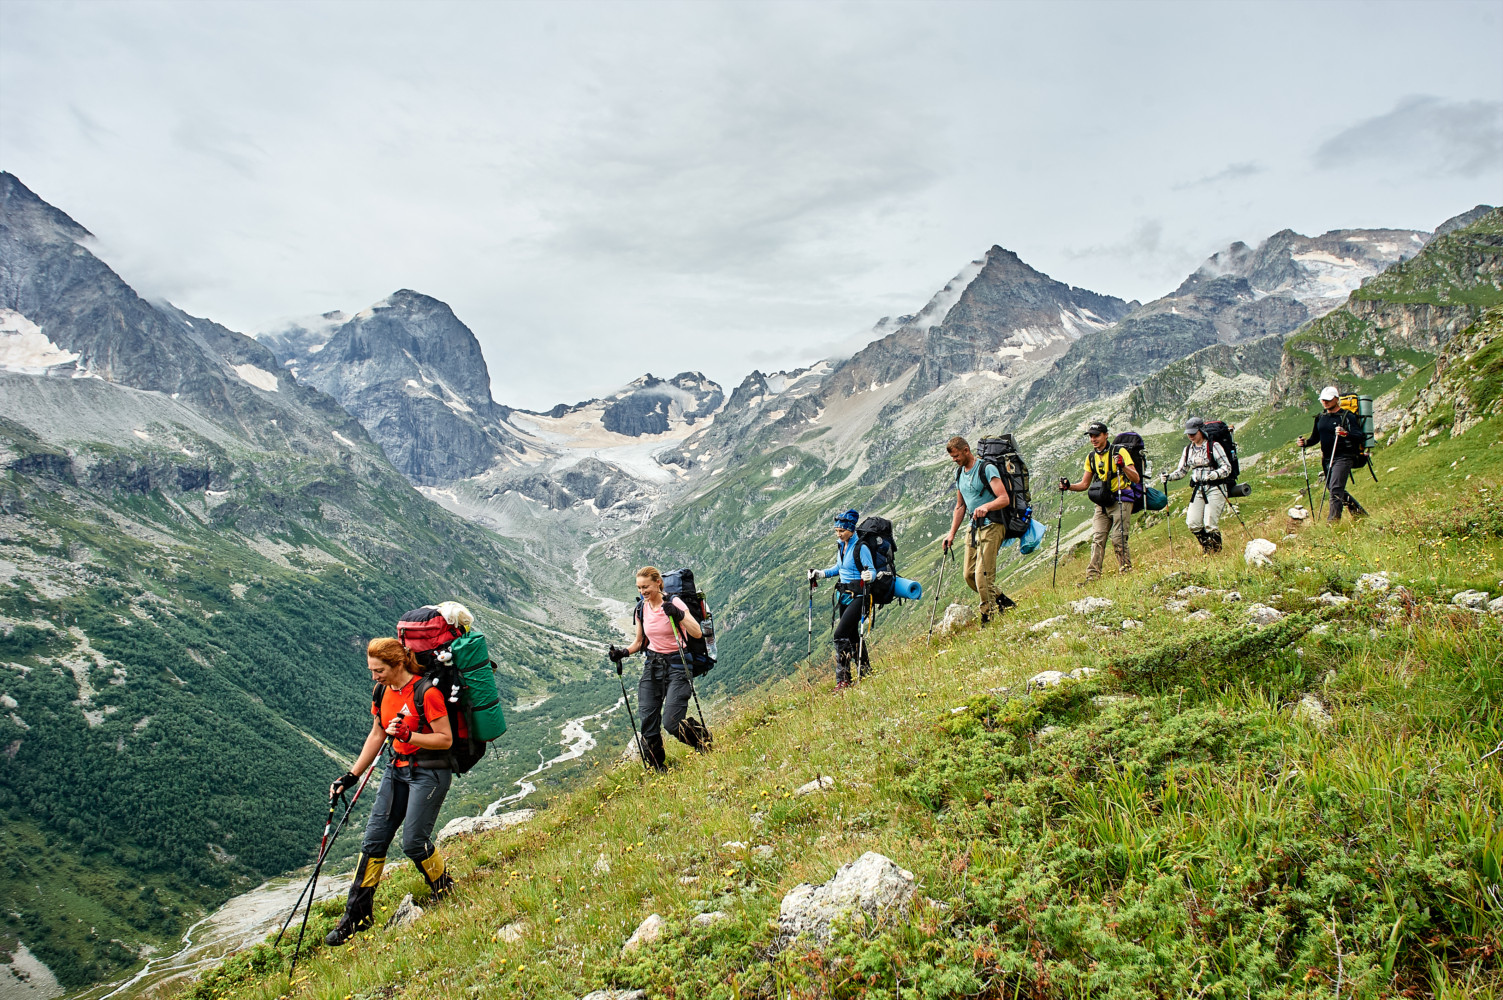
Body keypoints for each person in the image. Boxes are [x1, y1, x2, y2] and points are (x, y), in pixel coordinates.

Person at [324, 637, 454, 946]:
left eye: (378, 670)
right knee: (373, 841)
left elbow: (445, 739)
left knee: (413, 843)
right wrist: (351, 776)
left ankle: (444, 887)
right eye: (371, 670)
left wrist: (411, 734)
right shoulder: (382, 691)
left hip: (430, 771)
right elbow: (377, 733)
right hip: (396, 770)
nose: (373, 676)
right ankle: (355, 917)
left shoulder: (427, 692)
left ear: (397, 664)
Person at [607, 566, 708, 772]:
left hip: (678, 664)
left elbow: (697, 633)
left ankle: (703, 743)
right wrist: (623, 653)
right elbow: (639, 642)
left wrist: (678, 614)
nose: (642, 592)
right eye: (639, 588)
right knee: (647, 719)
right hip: (652, 665)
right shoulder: (641, 609)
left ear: (658, 583)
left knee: (672, 722)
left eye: (646, 587)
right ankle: (658, 768)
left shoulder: (674, 602)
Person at [942, 436, 1016, 624]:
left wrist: (987, 507)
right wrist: (951, 534)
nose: (955, 460)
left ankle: (988, 616)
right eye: (952, 457)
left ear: (966, 450)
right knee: (969, 575)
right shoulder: (959, 474)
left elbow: (1004, 498)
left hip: (993, 525)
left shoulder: (986, 469)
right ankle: (1003, 601)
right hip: (974, 527)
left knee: (983, 575)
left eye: (957, 456)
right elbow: (960, 506)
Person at [1060, 421, 1140, 584]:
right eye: (1091, 436)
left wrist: (1123, 466)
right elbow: (1084, 484)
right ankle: (1092, 577)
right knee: (1098, 539)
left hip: (1121, 500)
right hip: (1102, 504)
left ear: (1105, 435)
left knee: (1118, 539)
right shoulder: (1091, 457)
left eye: (1096, 435)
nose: (1093, 439)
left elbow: (1136, 478)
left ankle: (1126, 572)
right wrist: (1069, 487)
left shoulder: (1120, 452)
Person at [808, 509, 876, 688]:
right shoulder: (842, 545)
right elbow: (840, 568)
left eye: (842, 531)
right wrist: (821, 574)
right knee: (853, 635)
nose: (838, 534)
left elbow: (873, 571)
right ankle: (866, 670)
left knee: (840, 635)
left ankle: (844, 680)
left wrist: (870, 575)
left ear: (851, 529)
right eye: (836, 531)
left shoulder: (861, 547)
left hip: (860, 596)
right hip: (845, 596)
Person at [1298, 386, 1368, 523]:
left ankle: (1333, 523)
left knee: (1335, 489)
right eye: (1323, 400)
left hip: (1344, 457)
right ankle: (1360, 514)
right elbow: (1315, 438)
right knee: (1334, 489)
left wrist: (1345, 433)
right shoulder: (1320, 418)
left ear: (1336, 399)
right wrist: (1305, 443)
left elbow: (1360, 436)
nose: (1325, 402)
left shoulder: (1347, 416)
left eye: (1328, 400)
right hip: (1327, 458)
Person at [1164, 416, 1234, 553]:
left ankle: (1215, 552)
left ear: (1201, 431)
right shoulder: (1188, 449)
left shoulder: (1214, 446)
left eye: (1193, 433)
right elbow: (1182, 471)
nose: (1190, 436)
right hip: (1199, 489)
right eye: (1188, 433)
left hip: (1216, 488)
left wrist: (1216, 474)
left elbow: (1227, 467)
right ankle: (1208, 548)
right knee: (1193, 523)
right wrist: (1169, 477)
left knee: (1210, 524)